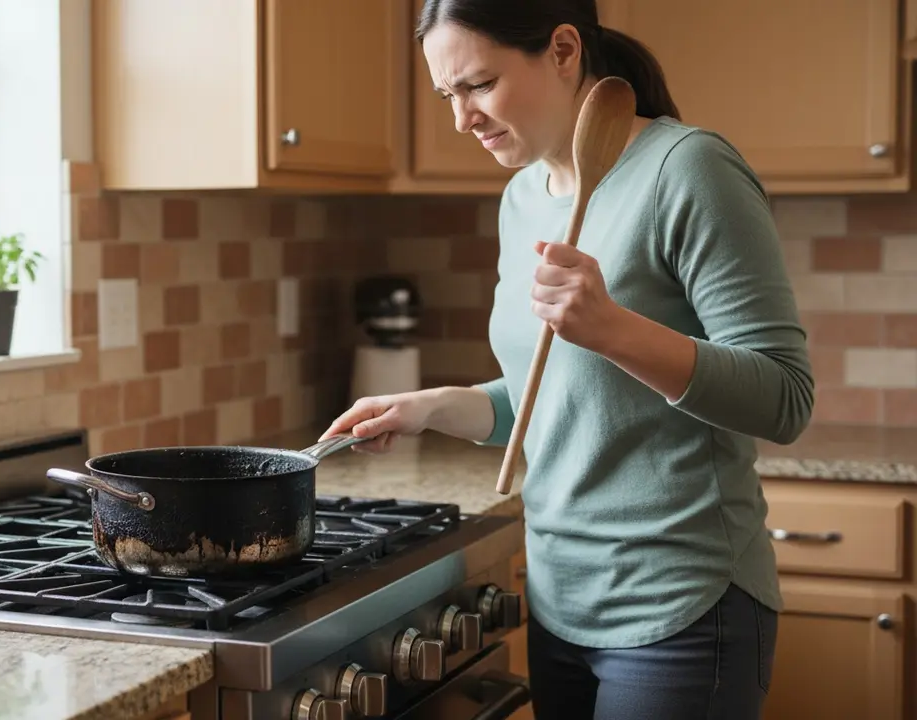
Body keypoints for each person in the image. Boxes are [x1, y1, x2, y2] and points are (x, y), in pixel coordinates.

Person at [319, 1, 815, 718]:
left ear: (561, 49)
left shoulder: (688, 169)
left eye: (479, 85)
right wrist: (427, 408)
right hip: (559, 596)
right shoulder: (523, 196)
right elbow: (559, 395)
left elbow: (784, 398)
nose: (462, 119)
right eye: (447, 94)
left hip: (681, 603)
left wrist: (612, 328)